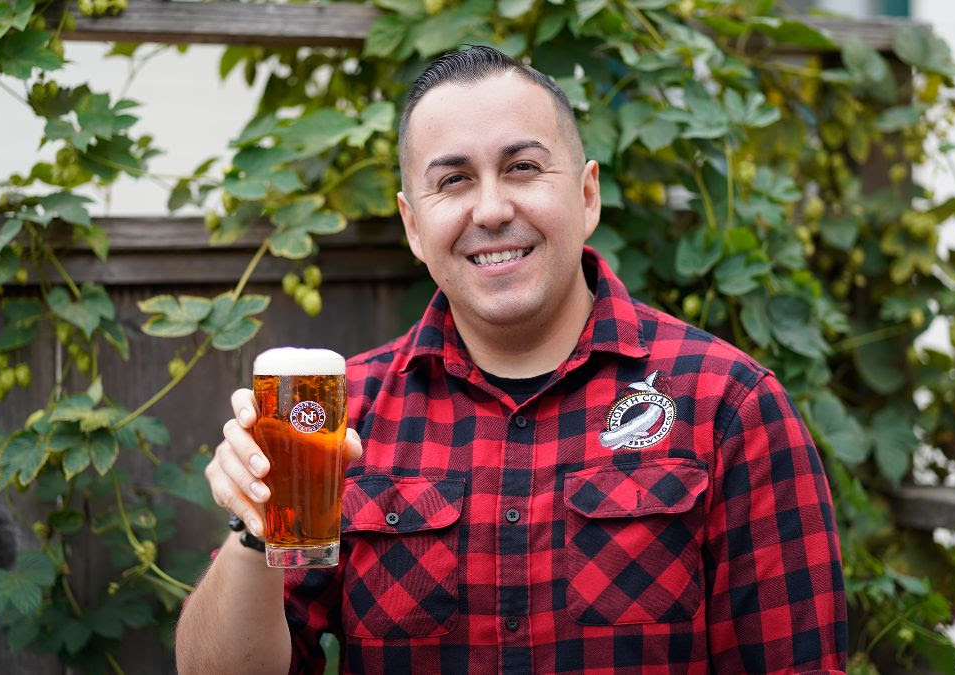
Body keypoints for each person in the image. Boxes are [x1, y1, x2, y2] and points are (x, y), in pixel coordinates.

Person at [176, 45, 847, 674]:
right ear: (413, 225)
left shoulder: (727, 405)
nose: (492, 209)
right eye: (454, 180)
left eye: (522, 168)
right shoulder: (344, 417)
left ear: (587, 196)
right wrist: (255, 532)